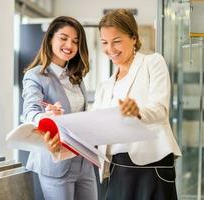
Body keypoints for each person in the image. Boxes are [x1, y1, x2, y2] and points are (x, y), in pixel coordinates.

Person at [93, 9, 182, 199]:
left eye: (117, 41)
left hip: (152, 164)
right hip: (117, 168)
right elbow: (95, 127)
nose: (111, 49)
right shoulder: (105, 86)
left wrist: (137, 112)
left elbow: (160, 109)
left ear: (133, 38)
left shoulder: (153, 63)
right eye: (104, 43)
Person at [22, 16, 97, 200]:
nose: (69, 45)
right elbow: (30, 112)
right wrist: (45, 117)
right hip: (55, 163)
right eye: (63, 38)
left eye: (75, 41)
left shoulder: (76, 77)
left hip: (83, 162)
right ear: (50, 39)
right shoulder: (35, 76)